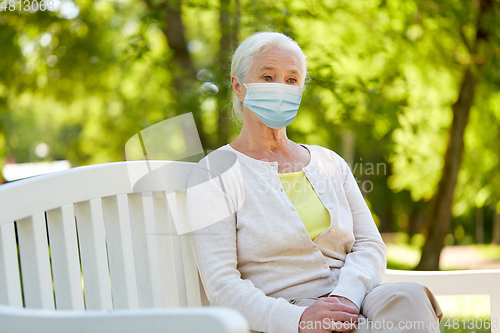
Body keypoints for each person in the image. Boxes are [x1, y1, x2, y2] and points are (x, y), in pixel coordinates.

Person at [185, 32, 442, 333]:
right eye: (268, 77)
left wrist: (346, 296)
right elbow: (222, 285)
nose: (281, 87)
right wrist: (300, 320)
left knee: (409, 297)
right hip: (288, 312)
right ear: (238, 87)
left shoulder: (329, 162)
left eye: (292, 80)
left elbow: (370, 244)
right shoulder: (213, 174)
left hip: (356, 298)